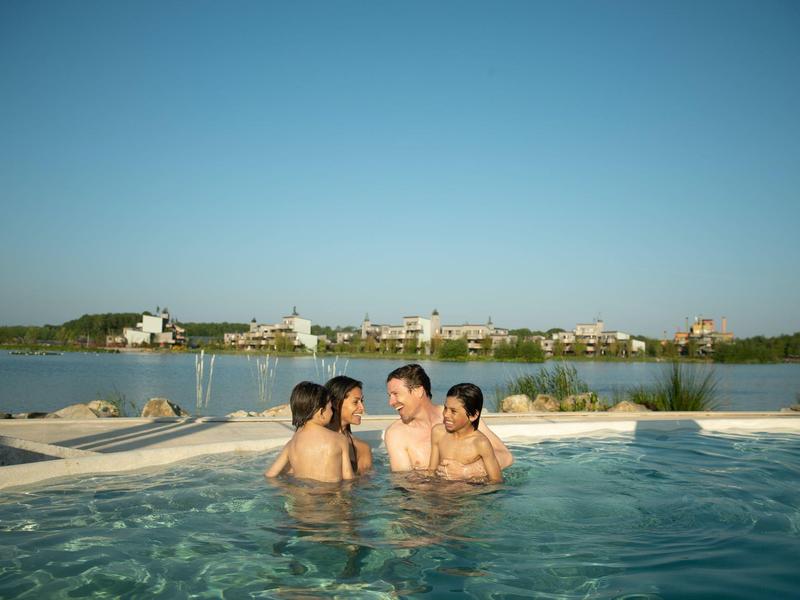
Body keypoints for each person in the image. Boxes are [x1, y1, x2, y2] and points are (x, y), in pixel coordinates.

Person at [384, 363, 513, 475]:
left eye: (395, 394)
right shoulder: (396, 434)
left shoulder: (461, 416)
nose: (391, 402)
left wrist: (468, 471)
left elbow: (506, 456)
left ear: (418, 391)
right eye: (389, 396)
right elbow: (403, 483)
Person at [265, 381, 354, 482]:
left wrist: (286, 488)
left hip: (300, 491)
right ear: (321, 412)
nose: (332, 412)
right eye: (330, 408)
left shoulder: (292, 444)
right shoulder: (339, 440)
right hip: (330, 491)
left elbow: (270, 475)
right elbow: (348, 478)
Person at [427, 383, 502, 483]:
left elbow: (496, 481)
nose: (445, 414)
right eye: (445, 408)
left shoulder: (480, 443)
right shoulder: (438, 433)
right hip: (440, 489)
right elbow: (431, 471)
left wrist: (466, 474)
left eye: (453, 411)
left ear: (473, 415)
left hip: (468, 491)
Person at [325, 375, 373, 475]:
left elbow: (366, 483)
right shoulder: (313, 440)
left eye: (361, 401)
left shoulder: (362, 449)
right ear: (335, 403)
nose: (362, 408)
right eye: (355, 402)